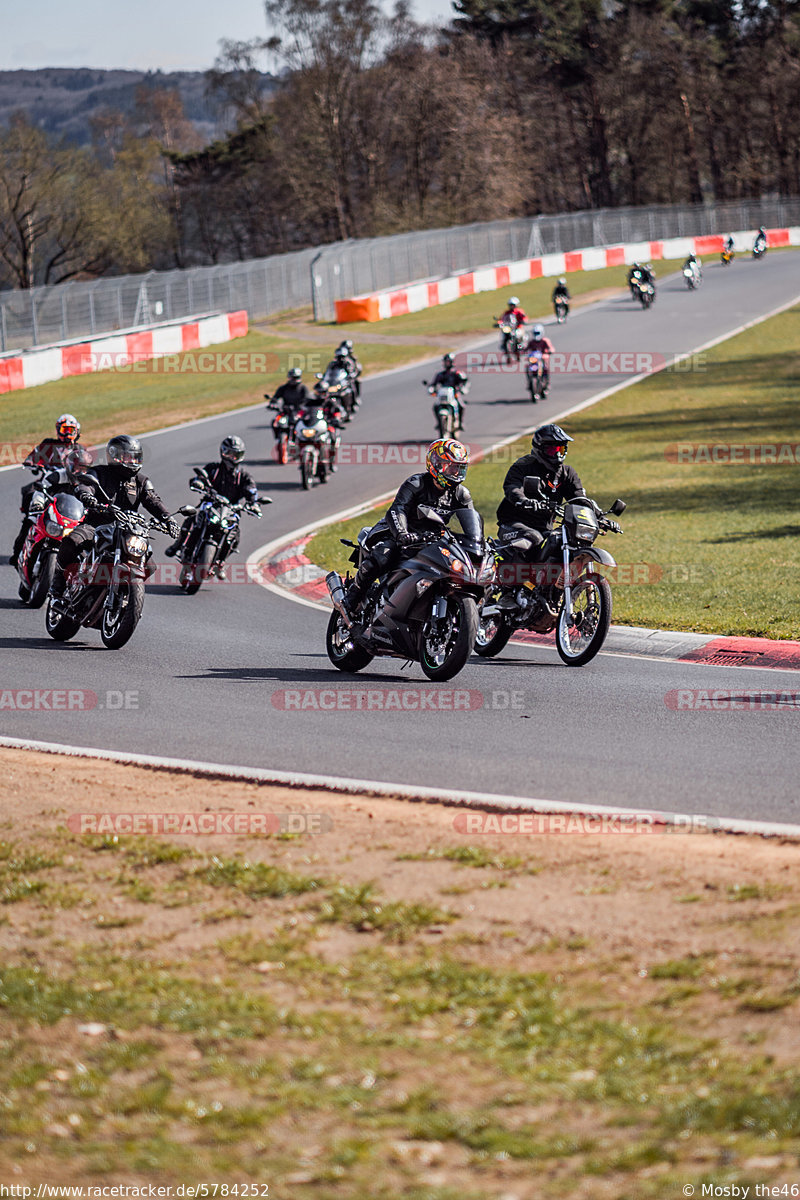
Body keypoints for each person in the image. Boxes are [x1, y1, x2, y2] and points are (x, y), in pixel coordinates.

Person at [344, 439, 472, 616]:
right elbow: (398, 509)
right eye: (451, 467)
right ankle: (352, 599)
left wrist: (476, 543)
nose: (455, 472)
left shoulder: (461, 494)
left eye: (459, 467)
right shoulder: (416, 484)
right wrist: (402, 534)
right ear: (436, 463)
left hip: (433, 541)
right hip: (399, 533)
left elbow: (469, 521)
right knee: (383, 556)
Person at [49, 435, 179, 610]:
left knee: (149, 565)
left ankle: (123, 594)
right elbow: (85, 485)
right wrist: (87, 496)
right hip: (96, 525)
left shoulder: (141, 481)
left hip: (128, 530)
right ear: (114, 455)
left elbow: (153, 500)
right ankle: (58, 586)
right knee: (71, 541)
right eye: (128, 457)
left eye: (135, 457)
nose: (132, 461)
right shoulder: (100, 473)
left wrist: (169, 519)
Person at [165, 436, 258, 577]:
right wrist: (198, 483)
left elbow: (252, 490)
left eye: (236, 454)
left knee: (235, 535)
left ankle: (220, 562)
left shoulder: (244, 476)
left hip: (231, 510)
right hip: (210, 504)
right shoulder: (213, 469)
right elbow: (199, 478)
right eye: (230, 454)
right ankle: (178, 544)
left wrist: (253, 504)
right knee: (192, 516)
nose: (233, 458)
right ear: (223, 452)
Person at [496, 425, 588, 555]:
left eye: (560, 449)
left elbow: (579, 498)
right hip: (513, 525)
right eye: (552, 450)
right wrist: (524, 501)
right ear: (539, 448)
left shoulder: (567, 473)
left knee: (561, 541)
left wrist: (599, 516)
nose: (557, 454)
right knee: (534, 538)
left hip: (544, 527)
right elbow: (513, 488)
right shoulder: (523, 466)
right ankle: (516, 572)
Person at [10, 414, 84, 568]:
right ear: (58, 430)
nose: (68, 433)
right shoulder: (48, 444)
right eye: (65, 429)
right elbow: (34, 456)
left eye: (71, 430)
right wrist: (32, 463)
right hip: (47, 486)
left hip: (68, 489)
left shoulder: (79, 449)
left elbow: (86, 467)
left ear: (77, 431)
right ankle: (18, 552)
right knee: (31, 517)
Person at [429, 352, 469, 431]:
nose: (447, 363)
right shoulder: (440, 374)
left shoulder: (457, 373)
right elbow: (433, 384)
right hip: (443, 395)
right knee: (435, 407)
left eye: (448, 362)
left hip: (454, 394)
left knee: (461, 406)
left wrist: (463, 388)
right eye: (445, 362)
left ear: (452, 362)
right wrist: (431, 389)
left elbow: (465, 381)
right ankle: (439, 423)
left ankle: (460, 422)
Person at [525, 324, 555, 391]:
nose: (536, 334)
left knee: (546, 368)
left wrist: (550, 351)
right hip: (534, 359)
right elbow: (526, 348)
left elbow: (551, 348)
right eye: (535, 333)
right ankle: (530, 381)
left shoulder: (545, 341)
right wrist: (522, 351)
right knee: (527, 368)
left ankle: (547, 382)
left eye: (537, 333)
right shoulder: (531, 342)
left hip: (542, 358)